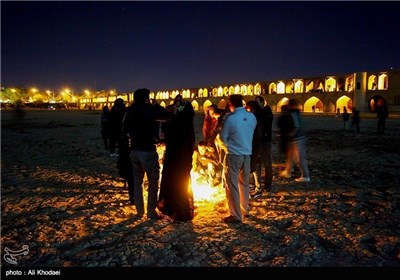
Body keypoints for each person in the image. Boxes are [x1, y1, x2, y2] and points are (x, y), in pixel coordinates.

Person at [122, 88, 172, 219]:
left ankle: (139, 211)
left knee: (137, 182)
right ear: (146, 98)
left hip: (134, 151)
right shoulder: (150, 109)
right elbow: (168, 116)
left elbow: (124, 129)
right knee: (153, 182)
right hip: (147, 151)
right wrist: (156, 105)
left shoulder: (130, 110)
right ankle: (151, 212)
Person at [157, 94, 196, 222]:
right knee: (180, 184)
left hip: (175, 159)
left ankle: (178, 211)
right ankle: (177, 209)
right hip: (183, 159)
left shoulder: (176, 123)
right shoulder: (187, 124)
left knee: (175, 183)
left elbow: (167, 136)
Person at [220, 94, 257, 223]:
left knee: (232, 185)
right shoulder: (252, 117)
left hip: (233, 155)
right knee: (244, 184)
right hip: (247, 155)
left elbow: (222, 137)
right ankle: (244, 210)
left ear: (230, 104)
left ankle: (235, 215)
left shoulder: (231, 118)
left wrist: (228, 144)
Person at [278, 99, 310, 183]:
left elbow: (297, 126)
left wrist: (290, 134)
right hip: (295, 138)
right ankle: (288, 172)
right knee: (290, 157)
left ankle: (305, 176)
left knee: (299, 157)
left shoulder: (293, 114)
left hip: (298, 138)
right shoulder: (293, 113)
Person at [253, 95, 274, 197]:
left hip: (265, 141)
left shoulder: (267, 111)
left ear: (262, 102)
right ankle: (258, 184)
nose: (256, 105)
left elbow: (266, 122)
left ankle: (268, 184)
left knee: (267, 163)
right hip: (258, 141)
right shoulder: (258, 113)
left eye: (257, 102)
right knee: (257, 162)